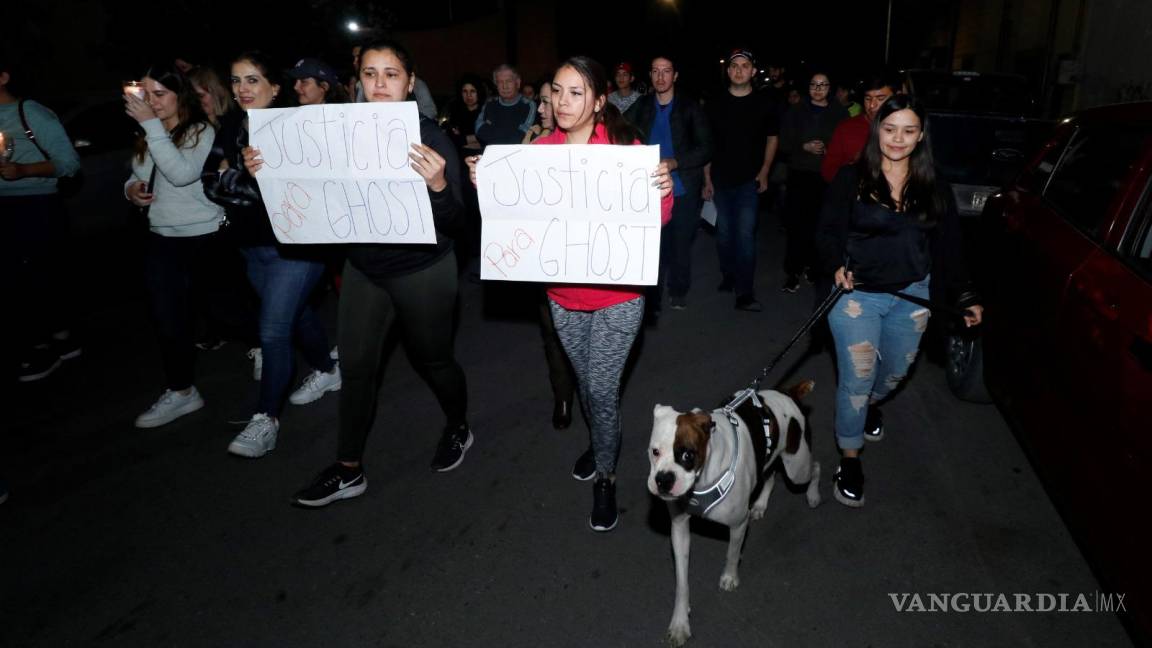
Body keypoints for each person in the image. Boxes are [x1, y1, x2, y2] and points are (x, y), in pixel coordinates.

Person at [257, 39, 472, 507]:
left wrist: (437, 185)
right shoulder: (336, 132)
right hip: (364, 269)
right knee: (355, 369)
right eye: (371, 73)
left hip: (424, 270)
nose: (379, 83)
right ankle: (348, 468)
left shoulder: (430, 137)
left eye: (391, 73)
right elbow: (309, 191)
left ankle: (458, 426)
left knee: (434, 360)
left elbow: (461, 223)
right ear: (358, 81)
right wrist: (267, 170)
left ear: (410, 82)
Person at [469, 56, 674, 532]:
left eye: (576, 92)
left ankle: (606, 474)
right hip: (563, 297)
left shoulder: (625, 147)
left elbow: (658, 220)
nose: (562, 101)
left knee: (601, 389)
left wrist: (663, 190)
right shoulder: (538, 150)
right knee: (587, 385)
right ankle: (601, 440)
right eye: (556, 92)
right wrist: (489, 185)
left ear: (600, 100)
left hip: (619, 298)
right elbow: (513, 220)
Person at [816, 94, 983, 508]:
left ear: (921, 135)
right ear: (878, 130)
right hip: (858, 298)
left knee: (893, 373)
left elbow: (949, 246)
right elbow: (826, 232)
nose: (898, 138)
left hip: (914, 295)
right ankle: (850, 455)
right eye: (890, 129)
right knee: (857, 377)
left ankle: (870, 404)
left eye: (909, 130)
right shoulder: (851, 178)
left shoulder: (934, 185)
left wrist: (964, 294)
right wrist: (836, 263)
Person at [200, 51, 340, 458]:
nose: (243, 89)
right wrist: (241, 177)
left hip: (297, 245)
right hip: (250, 248)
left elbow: (305, 187)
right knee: (297, 316)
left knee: (273, 330)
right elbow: (210, 184)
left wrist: (238, 176)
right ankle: (329, 370)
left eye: (253, 80)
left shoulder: (296, 127)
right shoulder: (228, 126)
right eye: (236, 80)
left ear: (275, 88)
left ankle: (266, 418)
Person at [124, 62, 223, 427]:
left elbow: (182, 174)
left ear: (179, 94)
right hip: (162, 238)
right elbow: (138, 173)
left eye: (160, 94)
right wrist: (131, 190)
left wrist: (151, 125)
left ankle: (266, 345)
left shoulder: (199, 130)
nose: (152, 102)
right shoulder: (149, 134)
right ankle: (182, 391)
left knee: (226, 311)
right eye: (146, 95)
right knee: (168, 319)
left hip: (204, 236)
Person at [1, 58, 82, 383]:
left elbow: (69, 163)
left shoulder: (31, 112)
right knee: (13, 279)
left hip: (36, 203)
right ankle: (56, 336)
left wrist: (23, 170)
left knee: (35, 278)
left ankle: (45, 346)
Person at [626, 54, 712, 311]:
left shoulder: (690, 107)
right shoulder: (641, 106)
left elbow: (706, 147)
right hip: (649, 188)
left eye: (666, 71)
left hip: (683, 187)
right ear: (650, 76)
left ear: (675, 76)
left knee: (681, 243)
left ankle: (679, 289)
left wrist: (675, 162)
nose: (660, 76)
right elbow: (617, 129)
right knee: (653, 247)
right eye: (655, 71)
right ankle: (653, 297)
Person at [520, 78, 577, 430]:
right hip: (546, 256)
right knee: (552, 332)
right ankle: (563, 397)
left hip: (583, 256)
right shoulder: (533, 144)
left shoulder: (587, 145)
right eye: (542, 100)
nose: (541, 108)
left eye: (546, 100)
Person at [703, 49, 779, 312]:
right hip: (721, 180)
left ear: (752, 71)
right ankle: (729, 275)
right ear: (728, 71)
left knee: (745, 236)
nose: (739, 70)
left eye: (744, 65)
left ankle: (744, 293)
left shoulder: (765, 104)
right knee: (724, 235)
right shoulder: (714, 104)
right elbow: (707, 145)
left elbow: (772, 138)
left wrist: (765, 171)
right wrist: (706, 179)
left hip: (750, 181)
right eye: (734, 65)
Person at [779, 71, 848, 293]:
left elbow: (844, 144)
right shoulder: (796, 110)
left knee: (822, 224)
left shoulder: (839, 112)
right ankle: (792, 271)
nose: (818, 89)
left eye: (823, 85)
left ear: (830, 88)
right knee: (797, 224)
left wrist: (829, 150)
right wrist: (803, 146)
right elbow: (784, 143)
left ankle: (815, 267)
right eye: (813, 85)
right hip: (800, 174)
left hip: (827, 176)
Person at [821, 74, 897, 183]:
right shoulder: (846, 128)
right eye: (868, 98)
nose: (872, 105)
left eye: (880, 98)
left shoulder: (906, 130)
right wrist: (855, 165)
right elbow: (828, 172)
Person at [475, 64, 536, 147]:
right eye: (500, 82)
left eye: (508, 81)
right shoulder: (489, 103)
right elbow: (479, 130)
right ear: (496, 85)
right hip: (491, 154)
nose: (505, 86)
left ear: (518, 83)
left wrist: (492, 131)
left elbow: (520, 136)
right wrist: (509, 133)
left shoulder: (528, 105)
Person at [443, 74, 487, 156]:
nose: (468, 95)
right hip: (458, 154)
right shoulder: (455, 110)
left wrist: (462, 139)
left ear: (479, 92)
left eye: (472, 91)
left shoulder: (486, 111)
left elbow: (485, 138)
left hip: (480, 155)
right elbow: (449, 137)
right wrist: (472, 139)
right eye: (465, 91)